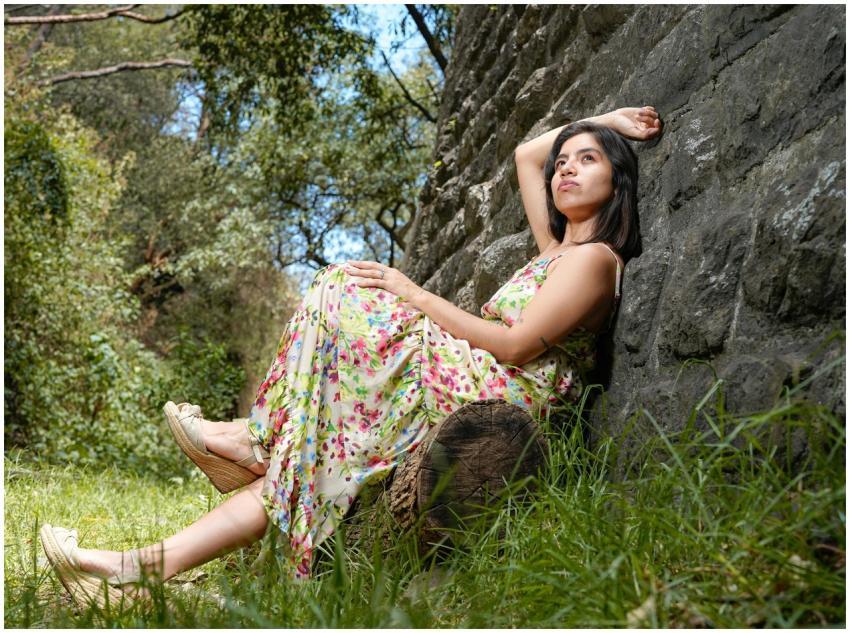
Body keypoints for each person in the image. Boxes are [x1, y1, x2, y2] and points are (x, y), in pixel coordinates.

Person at [40, 106, 662, 608]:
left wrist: (415, 295)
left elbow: (519, 345)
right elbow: (528, 154)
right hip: (470, 371)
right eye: (566, 163)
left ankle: (257, 437)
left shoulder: (594, 260)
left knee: (344, 286)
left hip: (503, 391)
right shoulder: (552, 247)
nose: (564, 170)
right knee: (302, 458)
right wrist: (607, 122)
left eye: (589, 160)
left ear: (618, 180)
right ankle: (134, 569)